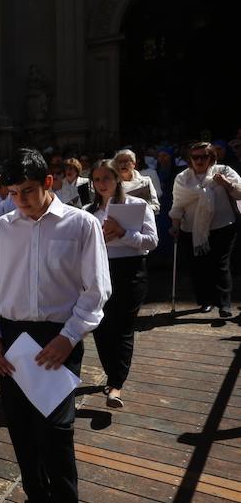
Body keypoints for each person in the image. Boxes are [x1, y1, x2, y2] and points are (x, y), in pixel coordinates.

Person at [0, 148, 110, 503]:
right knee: (20, 429)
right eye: (14, 193)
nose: (22, 201)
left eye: (30, 191)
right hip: (13, 337)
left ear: (49, 183)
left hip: (58, 335)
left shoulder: (81, 225)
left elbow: (97, 290)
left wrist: (68, 337)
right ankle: (37, 502)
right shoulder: (2, 228)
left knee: (55, 432)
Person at [86, 160, 158, 409]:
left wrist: (122, 233)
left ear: (117, 179)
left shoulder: (137, 205)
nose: (101, 183)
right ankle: (111, 374)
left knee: (124, 329)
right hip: (101, 272)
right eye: (96, 179)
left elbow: (152, 241)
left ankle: (116, 384)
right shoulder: (89, 210)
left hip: (131, 272)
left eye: (106, 177)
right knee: (101, 327)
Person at [170, 141, 241, 318]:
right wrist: (175, 227)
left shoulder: (224, 171)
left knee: (221, 265)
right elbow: (178, 205)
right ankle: (205, 300)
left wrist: (226, 183)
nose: (199, 160)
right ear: (190, 159)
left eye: (204, 156)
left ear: (212, 157)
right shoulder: (183, 178)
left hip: (222, 226)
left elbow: (239, 193)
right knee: (199, 267)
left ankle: (224, 303)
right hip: (191, 229)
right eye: (195, 157)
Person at [113, 148, 161, 215]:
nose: (123, 164)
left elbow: (155, 205)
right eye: (120, 162)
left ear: (134, 164)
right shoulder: (112, 184)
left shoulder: (145, 181)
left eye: (126, 161)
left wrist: (143, 210)